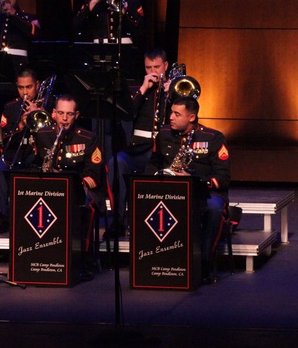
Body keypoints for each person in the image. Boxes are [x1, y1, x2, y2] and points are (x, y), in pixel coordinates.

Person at [146, 96, 230, 284]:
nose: (171, 118)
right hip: (170, 191)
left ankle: (205, 263)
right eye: (171, 113)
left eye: (177, 114)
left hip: (205, 193)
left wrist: (195, 181)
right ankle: (154, 262)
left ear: (192, 118)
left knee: (214, 209)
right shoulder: (164, 134)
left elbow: (223, 178)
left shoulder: (213, 138)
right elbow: (153, 163)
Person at [29, 94, 104, 278]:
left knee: (87, 206)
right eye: (61, 113)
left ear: (76, 115)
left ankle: (84, 259)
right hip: (49, 189)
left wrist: (75, 185)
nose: (64, 118)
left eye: (69, 114)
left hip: (79, 189)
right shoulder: (42, 134)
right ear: (53, 113)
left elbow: (93, 174)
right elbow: (32, 164)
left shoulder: (88, 138)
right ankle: (35, 257)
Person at [109, 48, 173, 237]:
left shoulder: (176, 88)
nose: (153, 72)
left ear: (166, 66)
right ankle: (118, 221)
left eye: (157, 67)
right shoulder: (138, 90)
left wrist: (172, 95)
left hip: (165, 151)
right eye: (148, 68)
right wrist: (143, 89)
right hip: (139, 149)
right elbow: (126, 114)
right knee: (116, 162)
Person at [0, 68, 52, 233]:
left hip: (41, 156)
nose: (25, 92)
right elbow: (3, 136)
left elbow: (56, 133)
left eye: (29, 87)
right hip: (17, 155)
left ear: (37, 85)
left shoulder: (50, 104)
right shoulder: (10, 107)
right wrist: (21, 125)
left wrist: (39, 114)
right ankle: (3, 217)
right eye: (21, 88)